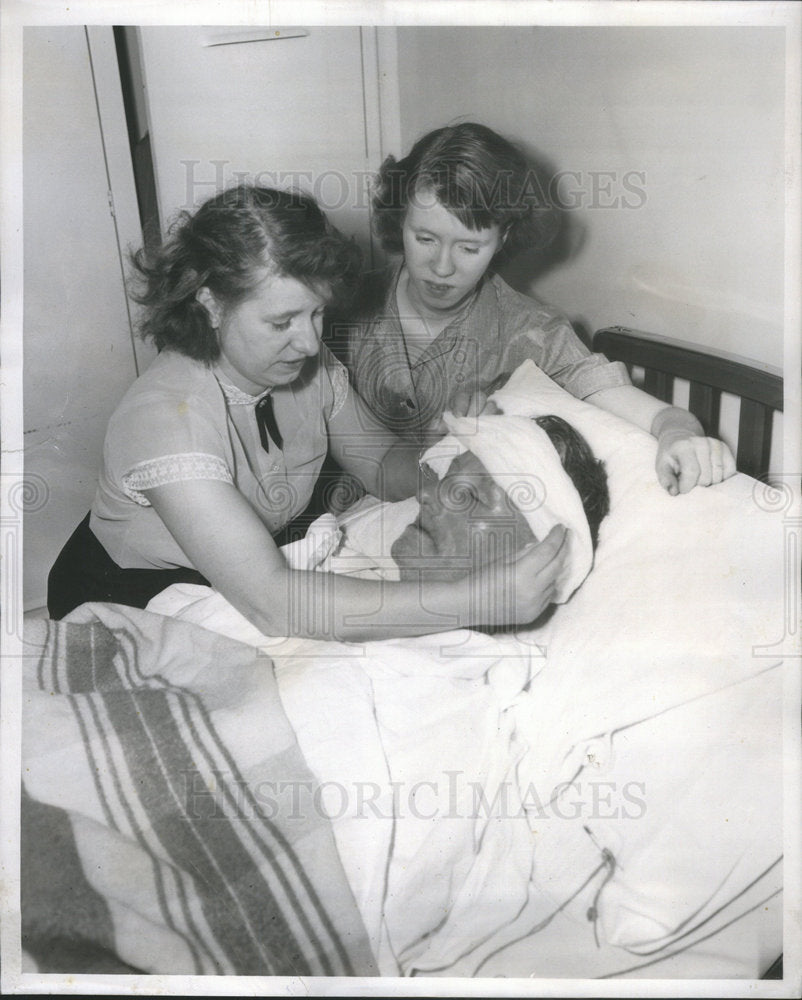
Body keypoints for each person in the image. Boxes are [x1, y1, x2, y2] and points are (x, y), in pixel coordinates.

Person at [47, 184, 567, 639]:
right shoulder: (163, 417)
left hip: (250, 563)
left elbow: (384, 465)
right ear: (208, 303)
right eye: (282, 322)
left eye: (317, 312)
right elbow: (274, 603)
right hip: (129, 593)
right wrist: (477, 600)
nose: (311, 340)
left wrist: (462, 452)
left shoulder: (307, 366)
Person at [330, 122, 736, 495]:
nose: (442, 267)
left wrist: (679, 434)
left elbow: (651, 413)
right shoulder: (340, 306)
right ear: (401, 219)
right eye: (424, 239)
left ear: (503, 237)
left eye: (469, 248)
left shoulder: (534, 332)